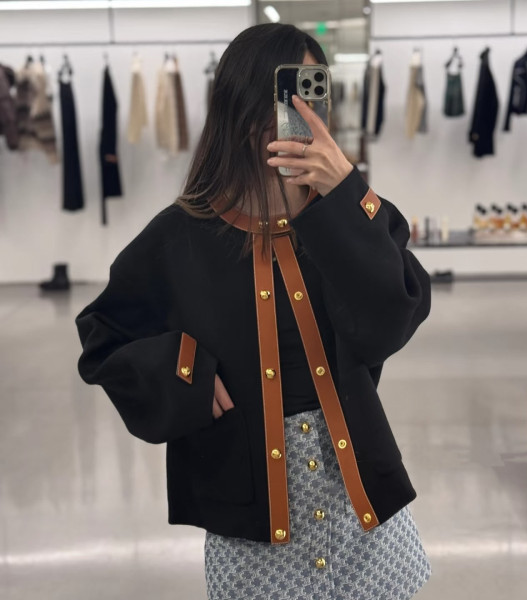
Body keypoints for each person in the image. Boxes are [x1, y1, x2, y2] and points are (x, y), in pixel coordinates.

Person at [75, 23, 432, 600]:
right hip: (251, 522)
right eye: (289, 95)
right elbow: (102, 338)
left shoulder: (352, 217)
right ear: (243, 110)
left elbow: (393, 316)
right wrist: (185, 370)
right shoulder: (180, 236)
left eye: (314, 92)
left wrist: (345, 191)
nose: (304, 113)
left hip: (362, 505)